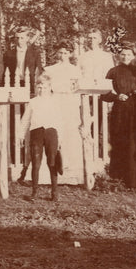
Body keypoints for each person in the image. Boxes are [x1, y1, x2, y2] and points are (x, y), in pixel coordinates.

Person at [103, 43, 136, 189]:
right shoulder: (112, 72)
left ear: (134, 56)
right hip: (120, 111)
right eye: (122, 54)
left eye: (128, 54)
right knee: (120, 142)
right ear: (118, 55)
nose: (125, 57)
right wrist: (116, 97)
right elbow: (104, 94)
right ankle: (119, 180)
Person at [19, 73, 64, 200]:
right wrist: (21, 135)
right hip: (36, 133)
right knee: (36, 163)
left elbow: (60, 121)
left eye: (44, 87)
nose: (41, 90)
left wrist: (60, 139)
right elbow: (25, 120)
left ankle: (54, 192)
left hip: (51, 133)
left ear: (50, 87)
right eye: (39, 87)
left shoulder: (55, 102)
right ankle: (34, 192)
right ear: (36, 87)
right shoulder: (32, 102)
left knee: (52, 162)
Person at [44, 43, 84, 181]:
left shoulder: (75, 70)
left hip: (70, 102)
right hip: (56, 100)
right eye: (60, 52)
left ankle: (71, 163)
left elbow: (77, 89)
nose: (62, 56)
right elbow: (47, 88)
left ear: (70, 54)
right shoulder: (50, 69)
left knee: (70, 130)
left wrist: (78, 106)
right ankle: (56, 162)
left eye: (66, 53)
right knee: (56, 130)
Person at [3, 27, 43, 93]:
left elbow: (39, 71)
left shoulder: (35, 54)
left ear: (27, 38)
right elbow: (4, 71)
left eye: (22, 38)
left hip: (30, 84)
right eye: (17, 38)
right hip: (13, 84)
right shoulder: (8, 54)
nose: (19, 41)